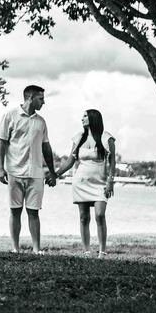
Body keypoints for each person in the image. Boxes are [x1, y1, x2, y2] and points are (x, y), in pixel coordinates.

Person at [0, 85, 58, 254]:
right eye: (41, 99)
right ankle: (15, 248)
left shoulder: (41, 122)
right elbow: (2, 142)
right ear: (30, 98)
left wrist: (52, 172)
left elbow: (46, 148)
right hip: (14, 172)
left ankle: (36, 249)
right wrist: (1, 168)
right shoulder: (10, 116)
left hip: (36, 174)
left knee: (34, 212)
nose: (43, 102)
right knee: (15, 211)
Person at [55, 108, 116, 256]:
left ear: (93, 118)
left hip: (100, 183)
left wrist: (110, 180)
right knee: (84, 217)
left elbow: (113, 161)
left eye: (85, 116)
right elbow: (70, 160)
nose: (82, 118)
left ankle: (102, 251)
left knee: (100, 215)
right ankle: (87, 251)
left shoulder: (106, 138)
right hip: (80, 183)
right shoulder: (79, 137)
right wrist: (55, 174)